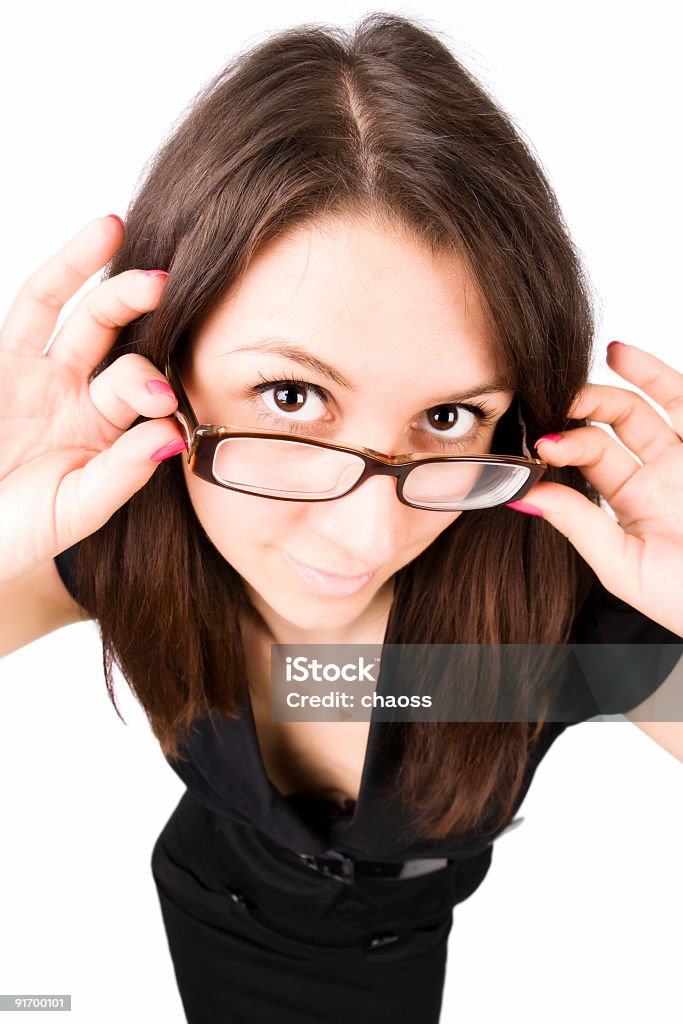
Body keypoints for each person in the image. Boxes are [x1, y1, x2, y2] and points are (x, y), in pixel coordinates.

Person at [1, 12, 682, 1023]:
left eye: (448, 418)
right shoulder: (115, 533)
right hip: (212, 920)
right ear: (163, 363)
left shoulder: (565, 604)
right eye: (289, 396)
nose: (366, 538)